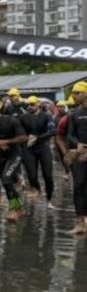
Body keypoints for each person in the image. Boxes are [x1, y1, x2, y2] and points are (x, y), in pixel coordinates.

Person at [19, 96, 56, 207]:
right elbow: (18, 131)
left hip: (43, 147)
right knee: (31, 175)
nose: (30, 107)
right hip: (29, 148)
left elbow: (53, 131)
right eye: (28, 105)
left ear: (38, 105)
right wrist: (27, 138)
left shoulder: (46, 116)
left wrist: (37, 138)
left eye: (32, 105)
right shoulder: (23, 117)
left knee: (48, 176)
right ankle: (38, 189)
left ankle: (49, 199)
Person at [64, 81, 87, 235]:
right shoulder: (74, 113)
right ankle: (80, 222)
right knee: (78, 186)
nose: (73, 95)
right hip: (80, 154)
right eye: (72, 93)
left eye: (76, 93)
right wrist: (77, 145)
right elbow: (69, 135)